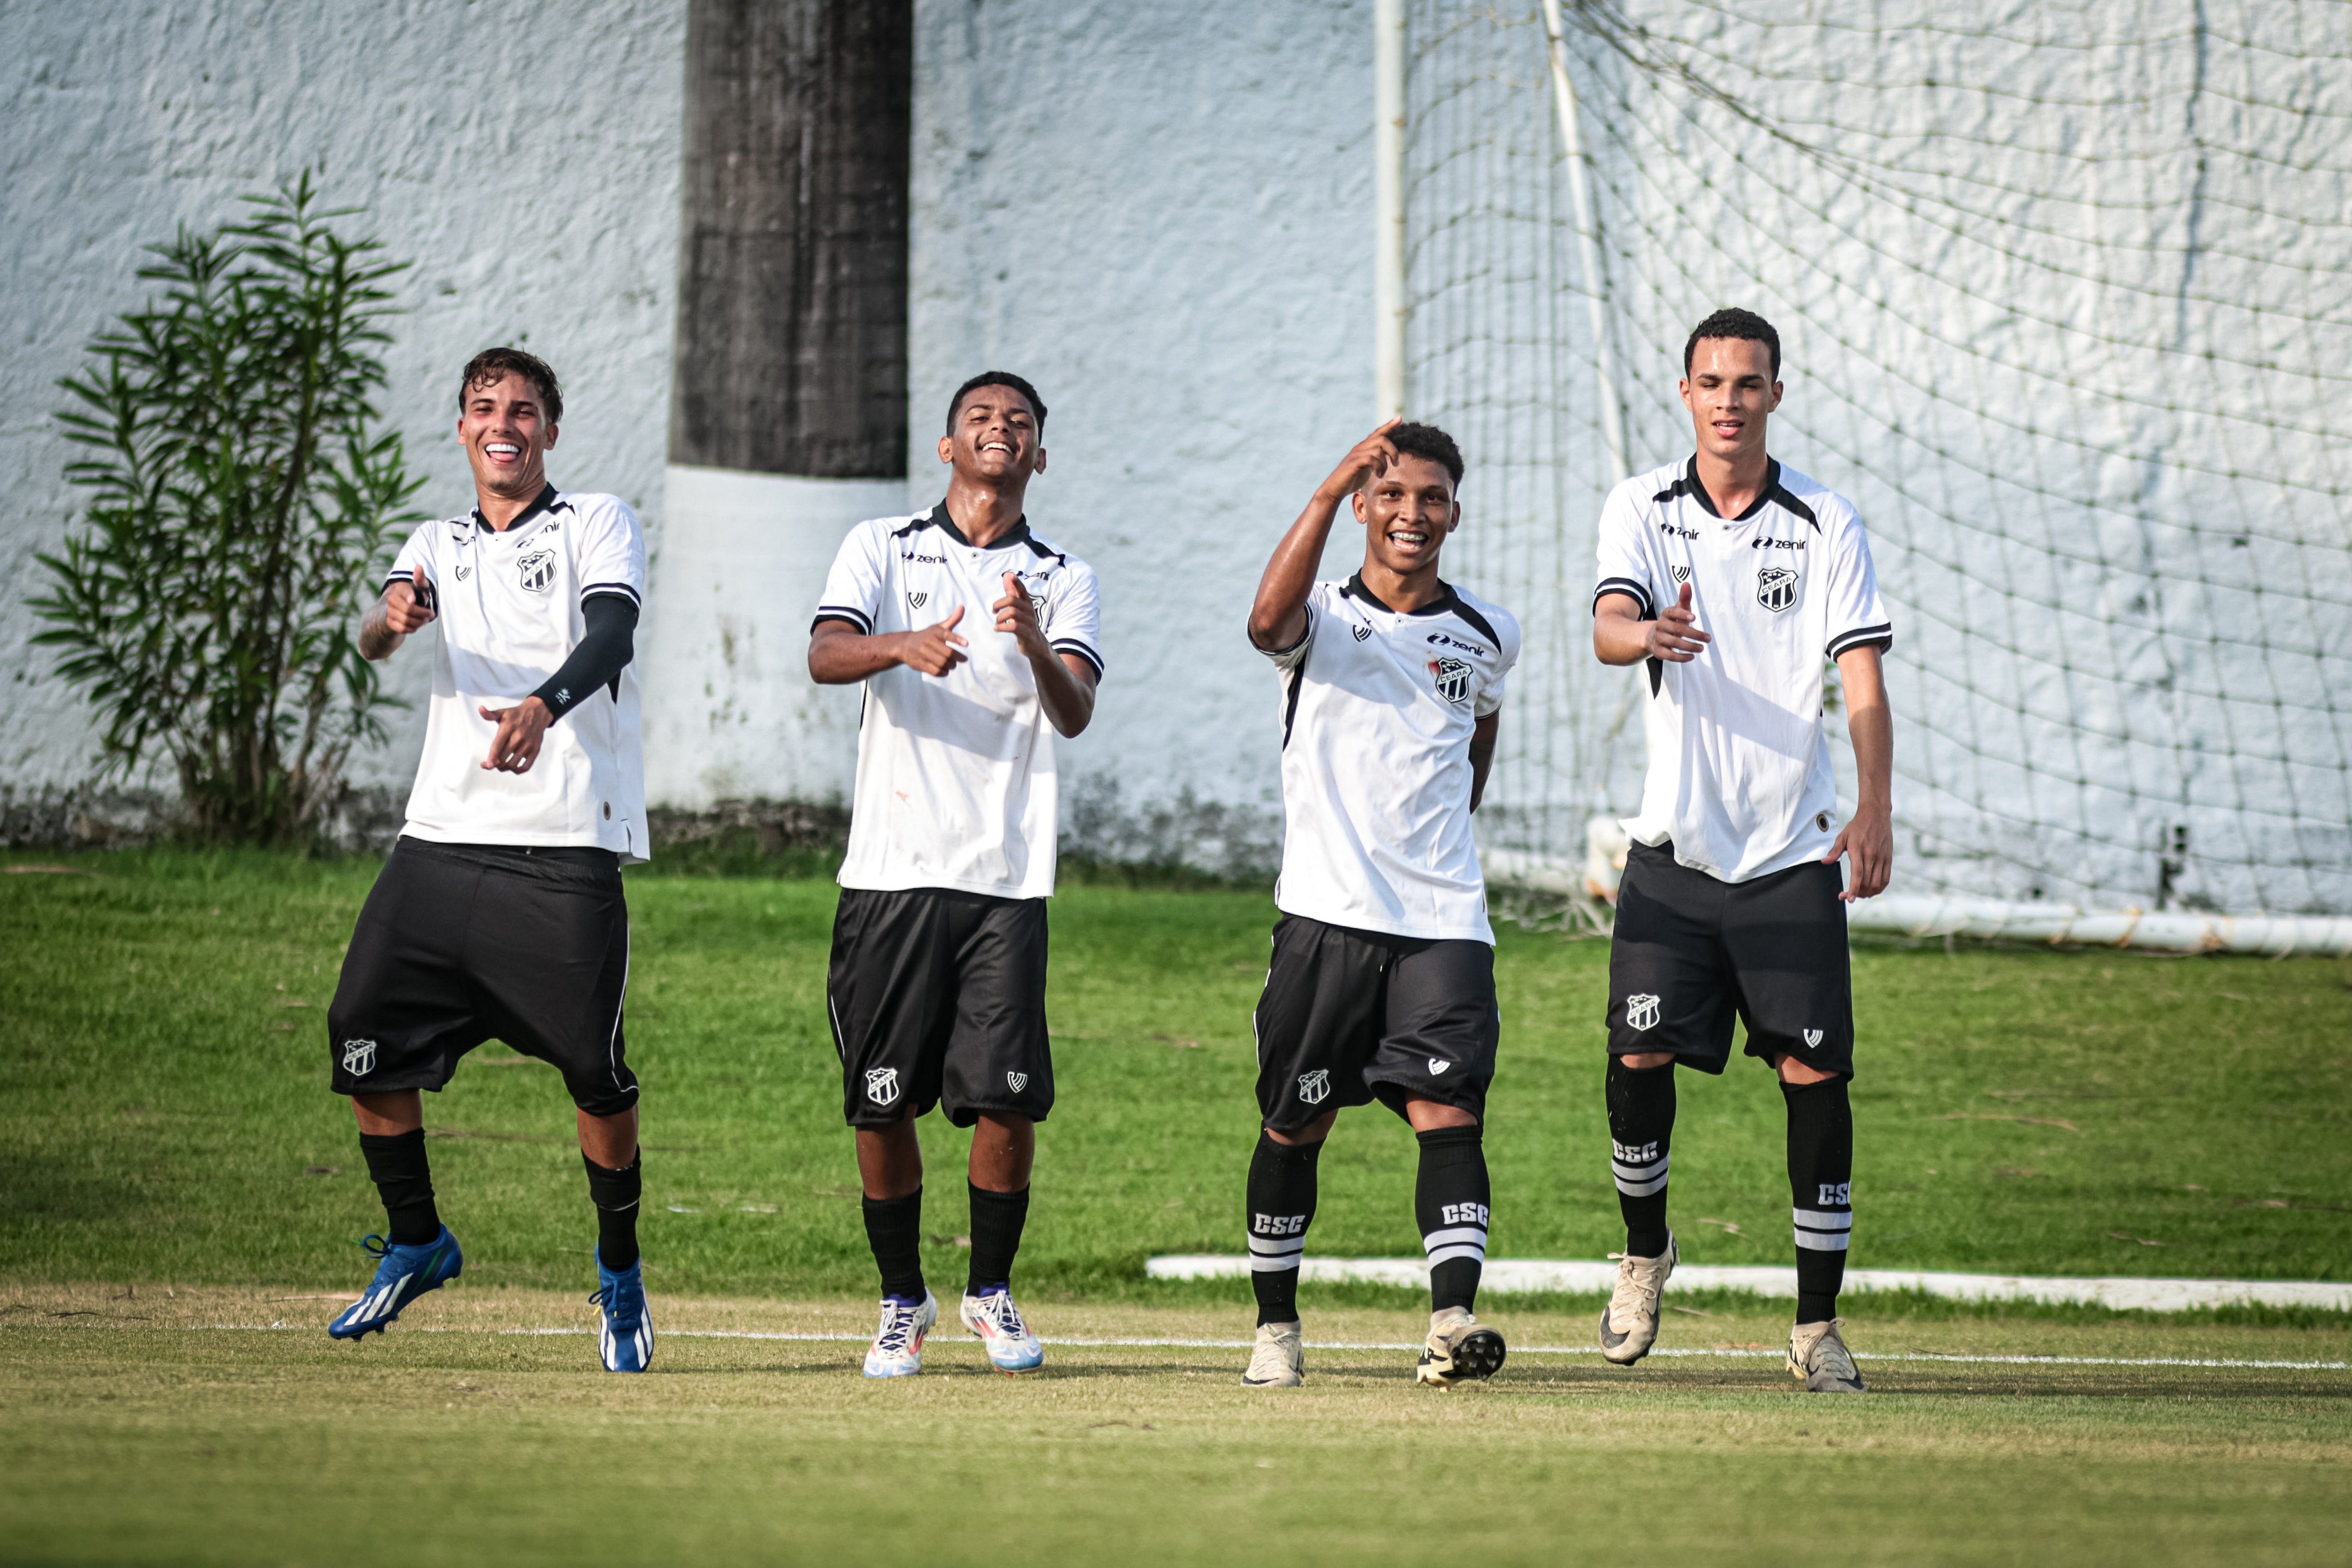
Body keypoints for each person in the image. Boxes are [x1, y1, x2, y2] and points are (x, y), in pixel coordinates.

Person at [324, 347, 655, 1372]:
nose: (501, 422)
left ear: (549, 430)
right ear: (462, 428)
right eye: (483, 408)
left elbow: (611, 638)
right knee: (360, 1037)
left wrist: (540, 708)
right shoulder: (432, 539)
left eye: (522, 410)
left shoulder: (595, 519)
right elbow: (380, 632)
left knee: (595, 1076)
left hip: (562, 848)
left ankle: (618, 1276)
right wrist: (392, 616)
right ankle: (419, 1240)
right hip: (438, 843)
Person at [1590, 307, 1894, 1393]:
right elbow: (1608, 625)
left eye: (1747, 383)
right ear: (1685, 394)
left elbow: (1858, 676)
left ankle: (1814, 1328)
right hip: (1672, 854)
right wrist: (1649, 635)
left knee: (1813, 1075)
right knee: (1635, 1061)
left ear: (1773, 393)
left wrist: (1872, 808)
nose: (1728, 399)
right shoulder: (1639, 504)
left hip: (1789, 856)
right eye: (1710, 381)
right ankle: (1643, 1253)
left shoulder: (1823, 521)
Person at [808, 371, 1102, 1378]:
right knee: (880, 1100)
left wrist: (1027, 641)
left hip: (1005, 878)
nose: (999, 432)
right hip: (890, 872)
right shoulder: (882, 548)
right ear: (947, 446)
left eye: (1018, 423)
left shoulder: (1063, 576)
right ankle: (901, 1301)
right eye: (980, 418)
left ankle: (989, 1291)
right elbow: (824, 652)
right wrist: (904, 645)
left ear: (1039, 456)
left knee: (1008, 1100)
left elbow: (1074, 712)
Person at [1238, 419, 1523, 1390]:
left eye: (1432, 497)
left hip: (1444, 922)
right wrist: (1321, 492)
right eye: (1392, 494)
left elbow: (1476, 746)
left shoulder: (1488, 634)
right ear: (1364, 504)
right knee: (1295, 1124)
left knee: (1449, 1113)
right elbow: (1262, 626)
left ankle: (1452, 1322)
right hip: (1325, 916)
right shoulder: (1317, 614)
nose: (1413, 514)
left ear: (1454, 510)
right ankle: (1276, 1329)